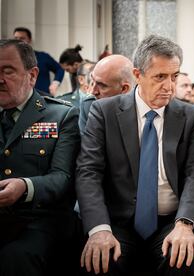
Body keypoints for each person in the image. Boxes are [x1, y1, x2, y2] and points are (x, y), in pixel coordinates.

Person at [76, 35, 194, 275]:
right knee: (101, 260)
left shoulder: (190, 117)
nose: (169, 86)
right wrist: (99, 229)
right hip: (117, 223)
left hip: (171, 222)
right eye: (160, 77)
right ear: (137, 75)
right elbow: (89, 173)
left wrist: (185, 223)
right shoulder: (104, 112)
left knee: (182, 259)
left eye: (174, 76)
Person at [0, 39, 80, 275]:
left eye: (8, 71)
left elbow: (62, 177)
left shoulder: (61, 115)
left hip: (38, 220)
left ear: (32, 75)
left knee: (14, 259)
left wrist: (24, 187)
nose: (0, 79)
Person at [78, 54, 135, 134]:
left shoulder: (144, 109)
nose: (93, 92)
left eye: (102, 86)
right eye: (93, 82)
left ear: (124, 89)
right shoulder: (89, 105)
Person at [13, 27, 64, 96]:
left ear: (29, 40)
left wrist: (55, 83)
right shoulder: (10, 60)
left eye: (22, 38)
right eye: (16, 38)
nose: (18, 41)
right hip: (18, 98)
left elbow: (60, 68)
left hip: (43, 98)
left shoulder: (43, 57)